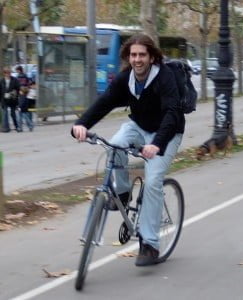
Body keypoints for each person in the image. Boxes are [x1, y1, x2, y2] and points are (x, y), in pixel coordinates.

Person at [71, 34, 184, 267]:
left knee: (153, 182)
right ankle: (122, 193)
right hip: (138, 127)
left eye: (142, 54)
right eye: (133, 55)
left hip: (167, 133)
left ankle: (150, 244)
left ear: (152, 57)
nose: (137, 59)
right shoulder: (126, 79)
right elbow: (105, 102)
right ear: (128, 57)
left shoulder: (165, 77)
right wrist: (82, 124)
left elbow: (173, 113)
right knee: (114, 145)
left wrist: (157, 144)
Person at [1, 67, 21, 132]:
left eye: (9, 73)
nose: (8, 74)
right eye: (6, 73)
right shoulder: (2, 81)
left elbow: (18, 88)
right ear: (4, 74)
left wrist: (13, 93)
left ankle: (17, 126)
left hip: (12, 100)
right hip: (4, 100)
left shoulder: (14, 80)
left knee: (13, 114)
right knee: (5, 114)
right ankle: (6, 128)